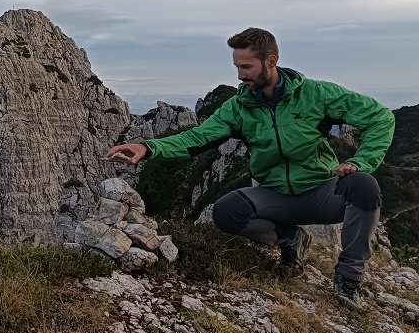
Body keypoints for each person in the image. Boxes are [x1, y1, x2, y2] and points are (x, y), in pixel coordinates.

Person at [107, 27, 395, 308]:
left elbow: (380, 117)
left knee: (364, 185)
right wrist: (148, 148)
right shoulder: (238, 107)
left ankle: (348, 278)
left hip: (322, 192)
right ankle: (291, 238)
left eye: (246, 66)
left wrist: (359, 161)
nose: (240, 75)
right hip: (274, 195)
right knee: (226, 212)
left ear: (271, 61)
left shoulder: (317, 94)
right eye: (237, 67)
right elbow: (197, 138)